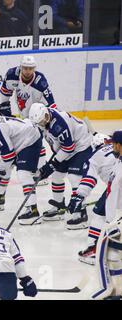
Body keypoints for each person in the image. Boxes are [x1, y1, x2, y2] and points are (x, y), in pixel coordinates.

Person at [29, 103, 93, 228]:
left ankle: (80, 213)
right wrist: (50, 166)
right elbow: (60, 145)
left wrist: (52, 164)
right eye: (40, 122)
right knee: (57, 176)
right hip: (66, 148)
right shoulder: (42, 121)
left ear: (46, 113)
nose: (43, 123)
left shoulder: (59, 123)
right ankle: (59, 207)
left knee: (74, 177)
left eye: (44, 120)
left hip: (81, 146)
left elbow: (69, 147)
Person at [68, 134, 116, 264]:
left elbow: (89, 179)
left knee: (99, 215)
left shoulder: (95, 156)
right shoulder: (118, 147)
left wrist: (78, 197)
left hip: (118, 186)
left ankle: (94, 250)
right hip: (117, 185)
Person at [92, 130, 122, 300]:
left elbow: (116, 193)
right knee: (114, 256)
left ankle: (109, 291)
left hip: (118, 220)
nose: (111, 146)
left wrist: (114, 221)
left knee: (105, 255)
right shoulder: (118, 161)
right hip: (116, 218)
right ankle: (117, 292)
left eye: (113, 144)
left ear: (119, 145)